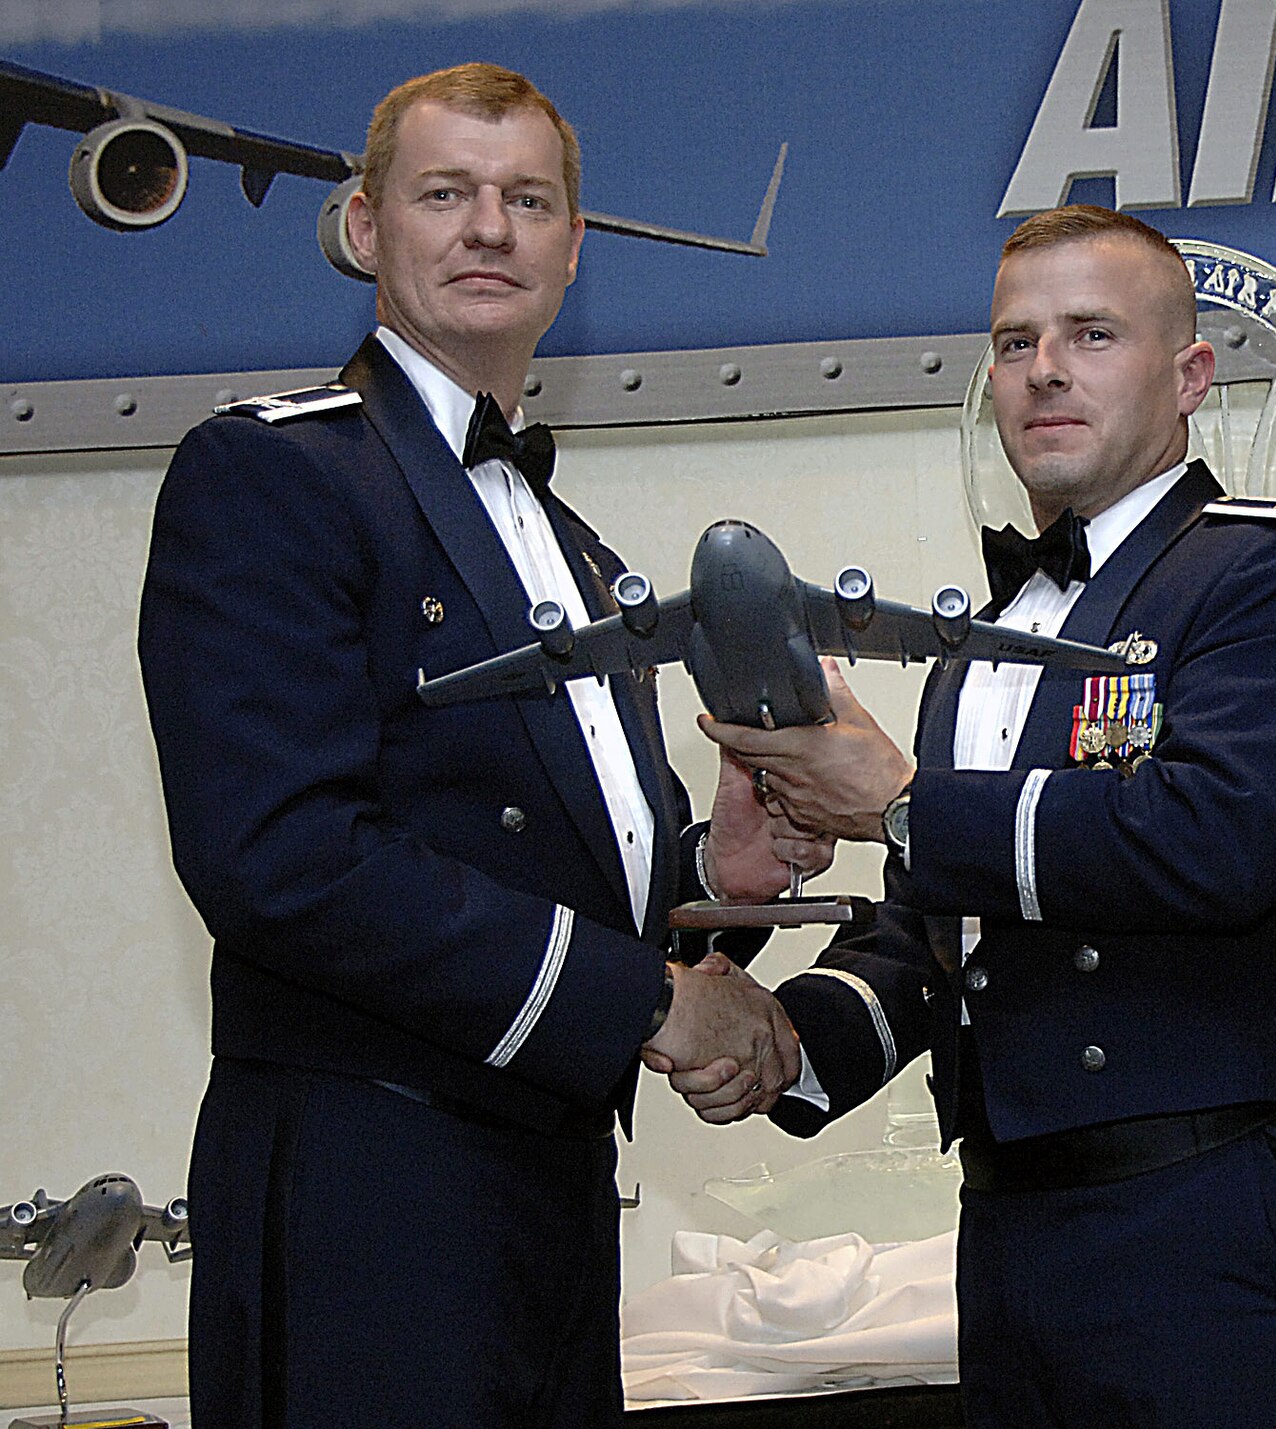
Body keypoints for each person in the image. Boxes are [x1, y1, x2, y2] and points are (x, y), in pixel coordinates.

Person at [138, 63, 817, 1429]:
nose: (490, 229)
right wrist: (643, 1000)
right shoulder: (273, 472)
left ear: (573, 247)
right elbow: (280, 855)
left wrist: (715, 874)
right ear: (364, 230)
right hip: (371, 1186)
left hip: (544, 1194)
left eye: (529, 200)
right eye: (445, 193)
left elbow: (548, 858)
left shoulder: (573, 552)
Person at [669, 204, 1276, 1426]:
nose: (1043, 368)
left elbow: (1212, 841)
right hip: (1005, 1233)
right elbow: (930, 925)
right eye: (1013, 343)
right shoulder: (985, 641)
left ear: (1189, 375)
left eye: (1091, 334)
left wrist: (898, 802)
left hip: (1200, 1219)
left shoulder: (1274, 574)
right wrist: (787, 1045)